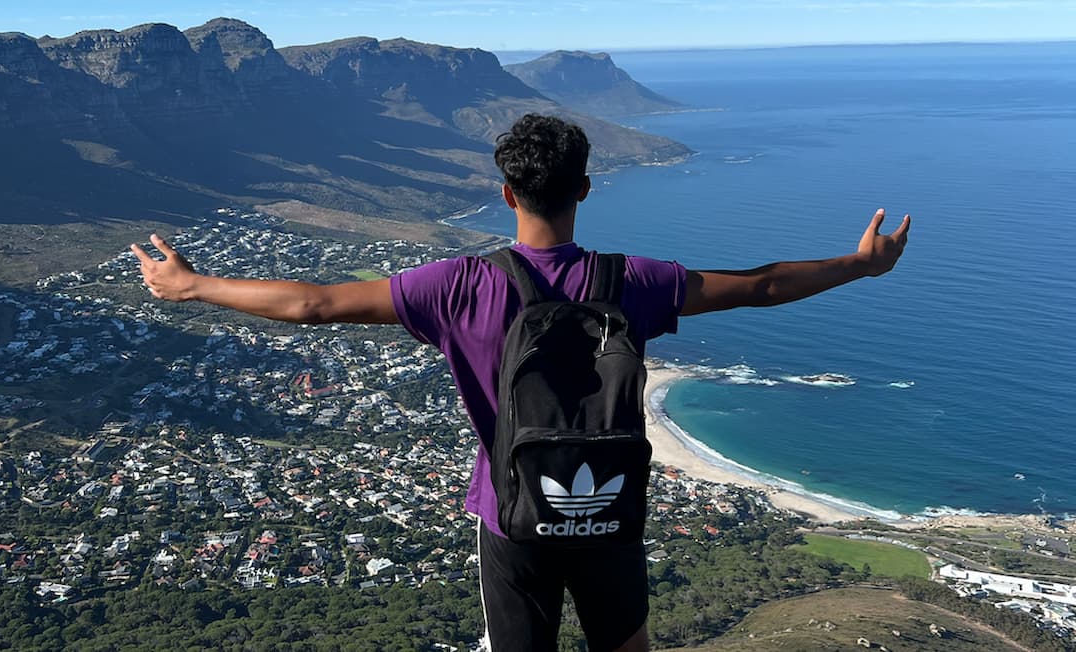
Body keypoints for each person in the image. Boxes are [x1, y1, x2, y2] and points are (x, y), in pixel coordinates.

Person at [132, 113, 910, 652]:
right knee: (626, 642)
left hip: (510, 514)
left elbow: (313, 304)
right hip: (608, 506)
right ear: (585, 189)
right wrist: (861, 265)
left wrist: (193, 286)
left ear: (507, 194)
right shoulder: (631, 280)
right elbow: (761, 285)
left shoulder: (458, 286)